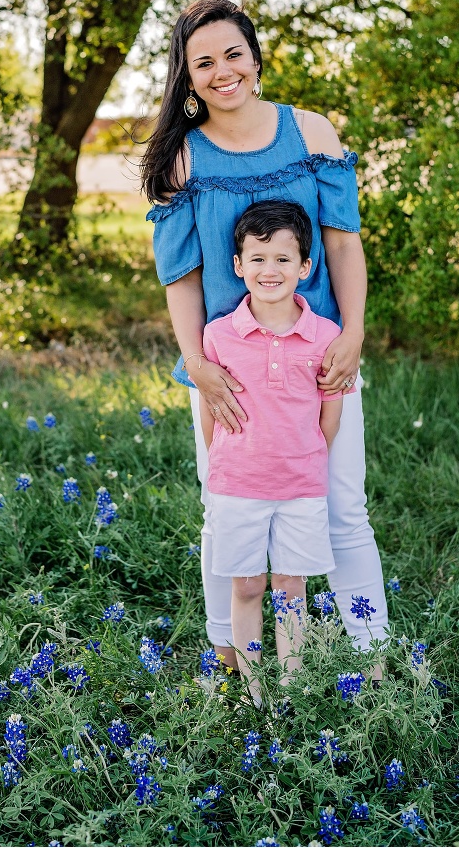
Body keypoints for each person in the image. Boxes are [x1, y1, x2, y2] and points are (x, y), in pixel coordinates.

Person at [140, 0, 388, 671]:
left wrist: (353, 335)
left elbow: (342, 246)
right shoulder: (182, 160)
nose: (223, 71)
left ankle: (373, 664)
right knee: (226, 514)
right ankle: (232, 660)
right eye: (204, 62)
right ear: (187, 79)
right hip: (229, 369)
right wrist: (199, 366)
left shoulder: (312, 135)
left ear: (256, 57)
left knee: (342, 507)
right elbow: (181, 280)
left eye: (233, 54)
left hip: (321, 355)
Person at [200, 199, 349, 705]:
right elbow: (210, 409)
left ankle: (289, 691)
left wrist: (307, 456)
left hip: (301, 486)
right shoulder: (218, 335)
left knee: (291, 588)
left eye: (284, 259)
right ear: (238, 266)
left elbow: (330, 412)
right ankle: (254, 689)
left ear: (305, 268)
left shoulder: (326, 336)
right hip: (237, 484)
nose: (270, 270)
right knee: (246, 586)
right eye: (258, 259)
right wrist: (226, 458)